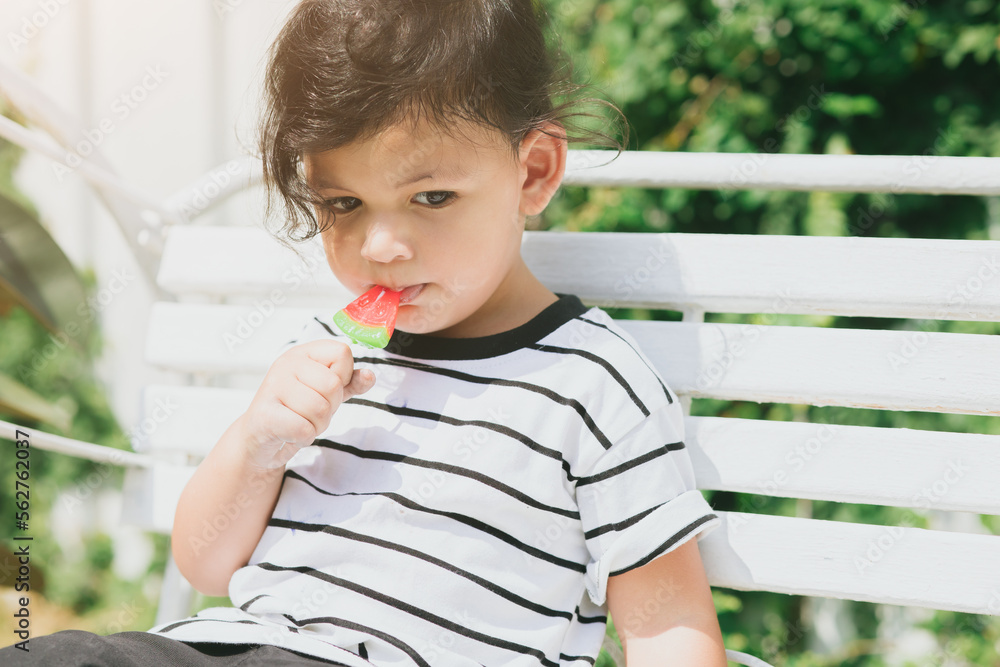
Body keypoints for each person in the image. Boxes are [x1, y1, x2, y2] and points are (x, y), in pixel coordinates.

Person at [2, 0, 728, 665]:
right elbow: (207, 566)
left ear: (533, 171)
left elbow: (666, 627)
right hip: (240, 646)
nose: (381, 244)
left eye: (431, 196)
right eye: (344, 202)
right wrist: (258, 445)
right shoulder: (327, 354)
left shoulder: (593, 383)